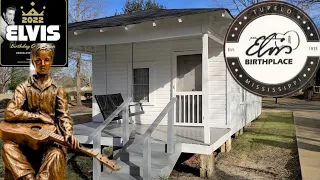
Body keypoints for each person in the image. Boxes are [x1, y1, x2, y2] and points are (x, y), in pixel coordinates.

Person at [2, 43, 80, 180]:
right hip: (27, 141)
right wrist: (37, 117)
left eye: (47, 60)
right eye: (38, 60)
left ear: (51, 62)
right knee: (8, 147)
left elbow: (64, 116)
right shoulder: (23, 88)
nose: (42, 64)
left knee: (56, 155)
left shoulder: (57, 90)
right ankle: (28, 177)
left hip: (50, 141)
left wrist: (68, 133)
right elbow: (10, 112)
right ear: (33, 62)